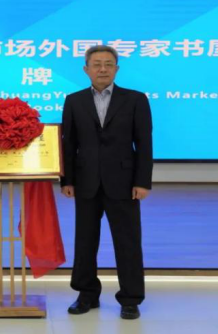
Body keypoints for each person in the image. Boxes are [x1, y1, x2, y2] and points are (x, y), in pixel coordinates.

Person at [61, 44, 153, 320]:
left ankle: (131, 299)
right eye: (97, 64)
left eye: (108, 64)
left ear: (117, 68)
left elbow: (144, 143)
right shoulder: (74, 100)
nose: (103, 69)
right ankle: (86, 294)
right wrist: (67, 180)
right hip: (85, 182)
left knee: (128, 242)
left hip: (124, 183)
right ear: (86, 69)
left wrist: (143, 181)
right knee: (85, 242)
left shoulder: (135, 99)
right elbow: (69, 144)